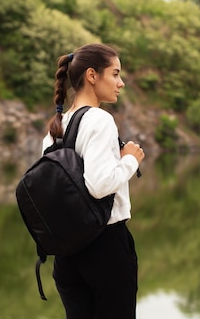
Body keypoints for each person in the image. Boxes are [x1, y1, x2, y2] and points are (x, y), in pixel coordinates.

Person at [42, 43, 145, 319]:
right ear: (92, 75)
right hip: (105, 248)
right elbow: (98, 186)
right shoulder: (100, 120)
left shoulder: (57, 125)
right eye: (115, 74)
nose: (121, 83)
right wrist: (131, 159)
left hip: (67, 252)